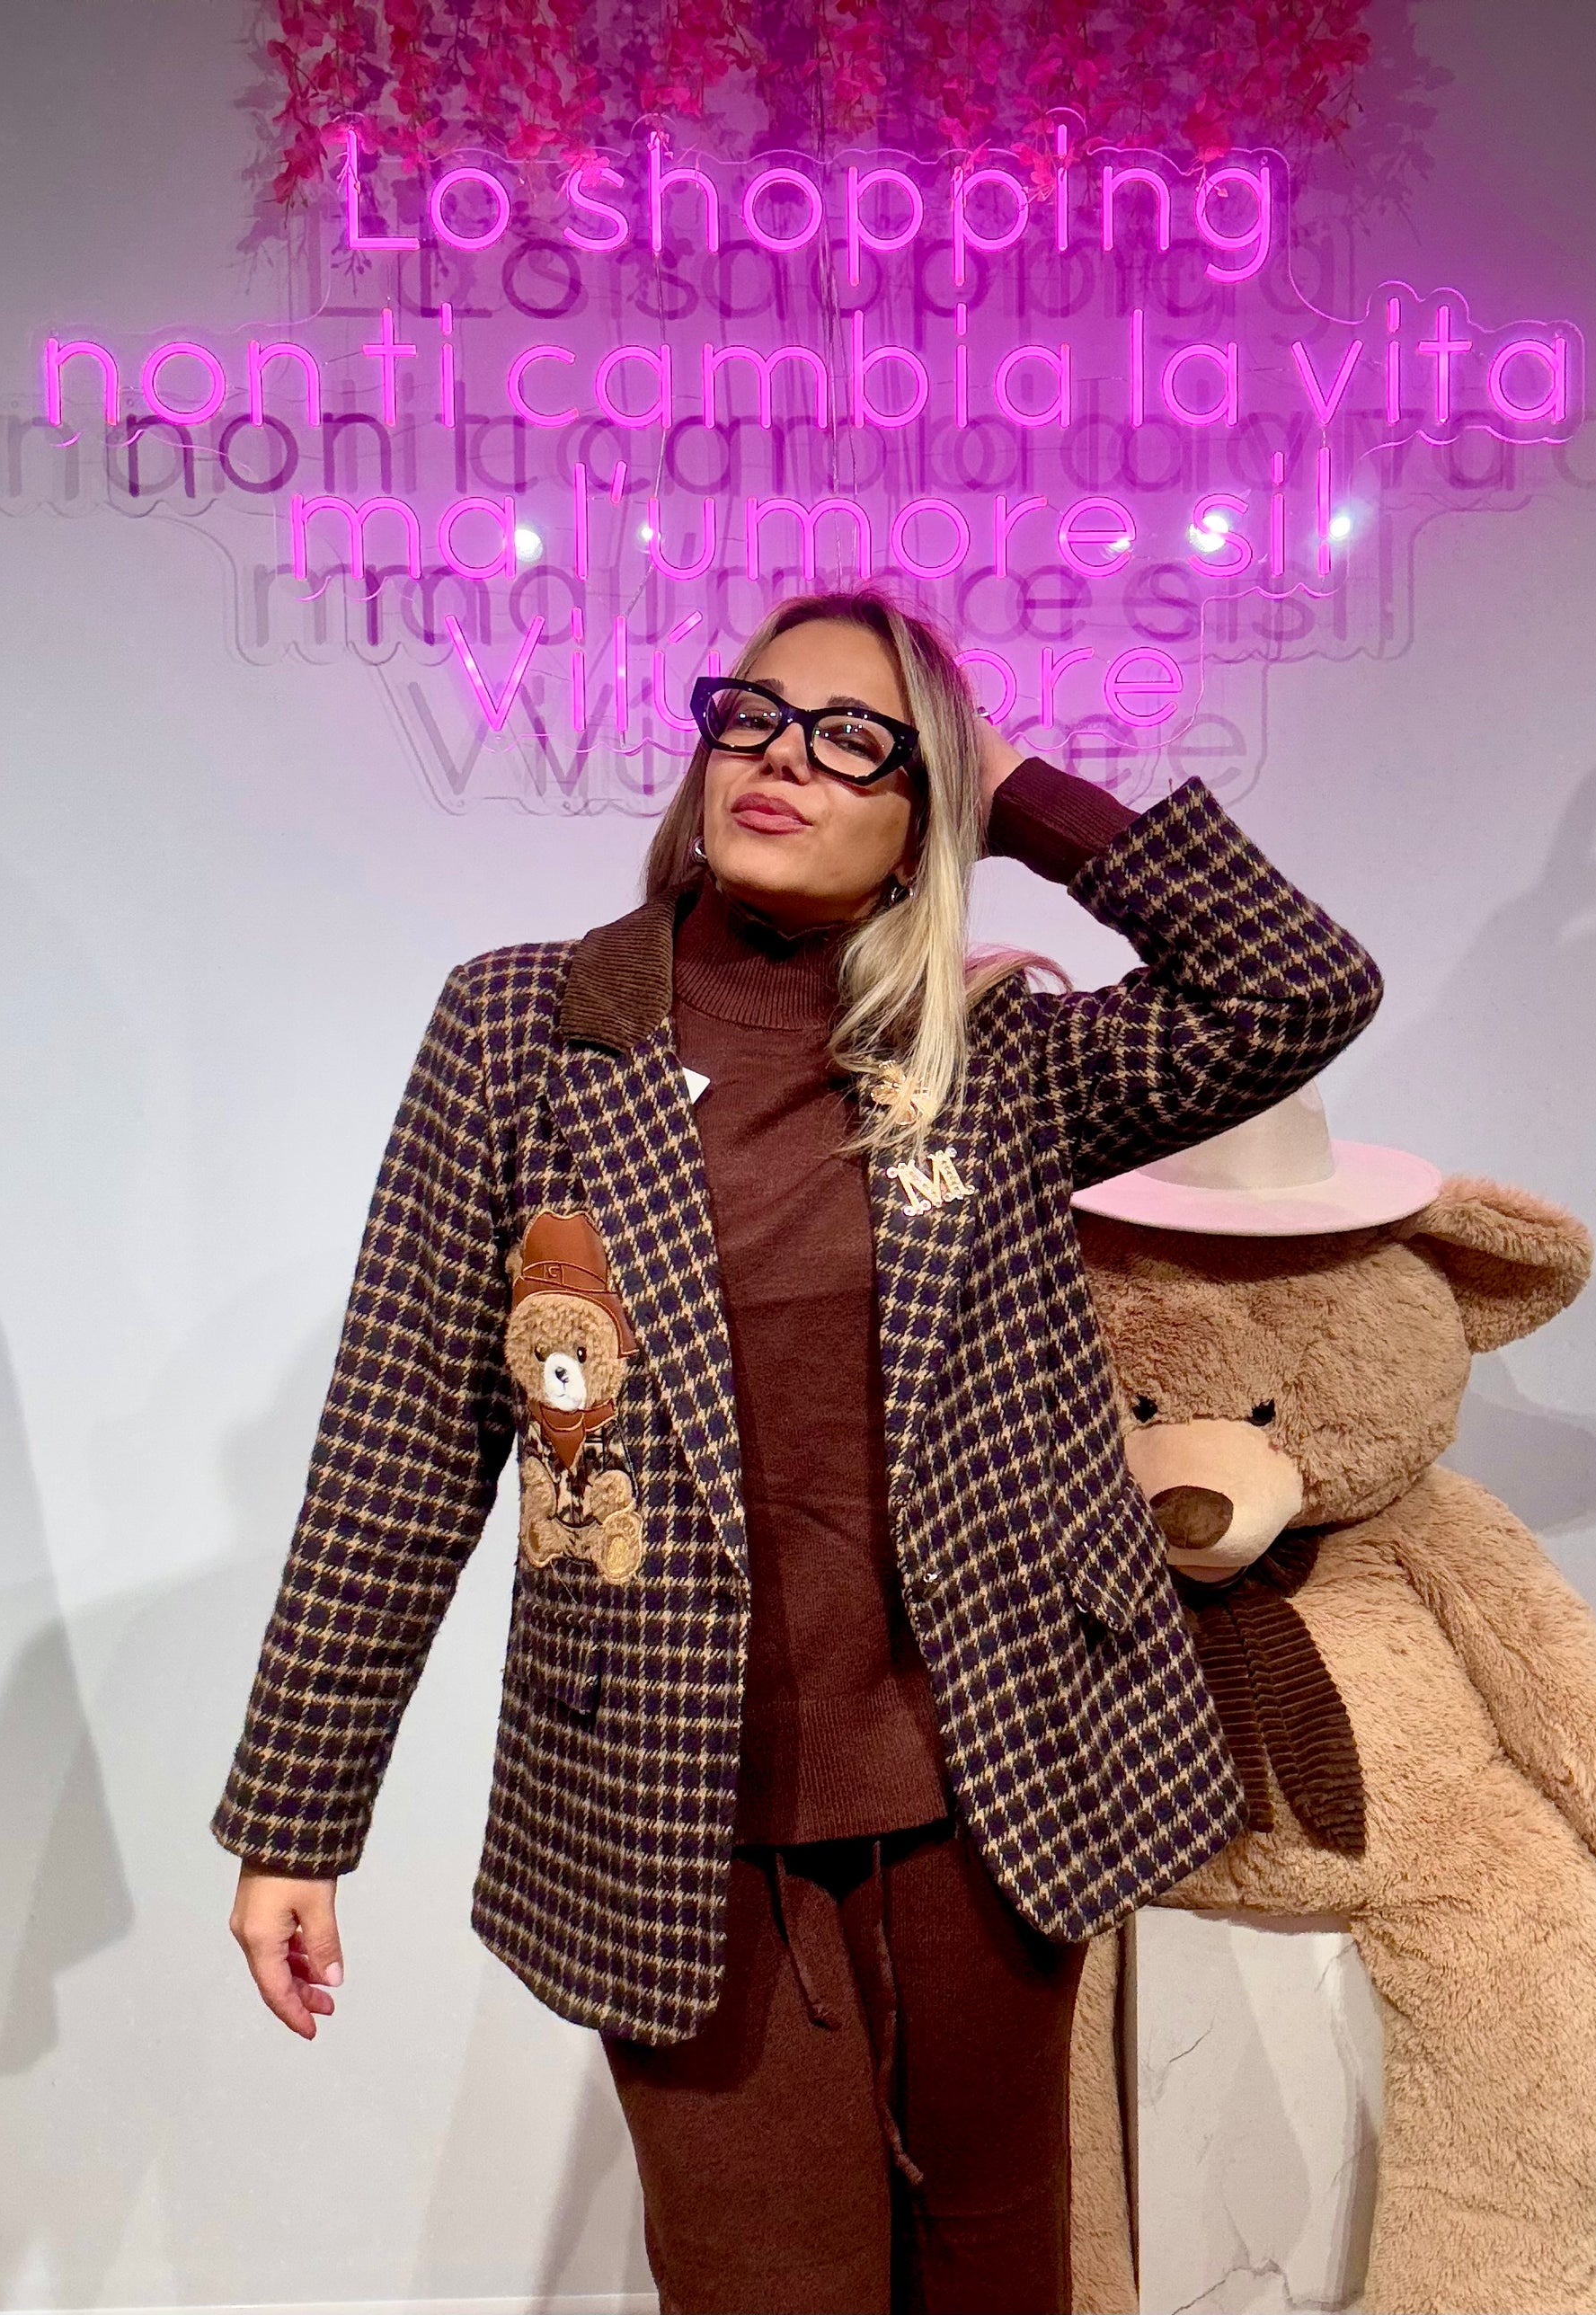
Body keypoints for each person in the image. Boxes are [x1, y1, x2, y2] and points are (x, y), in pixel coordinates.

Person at [214, 589, 1382, 2315]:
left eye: (857, 742)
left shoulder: (988, 1056)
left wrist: (1021, 791)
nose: (782, 759)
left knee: (995, 2261)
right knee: (765, 2277)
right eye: (751, 717)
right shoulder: (523, 1029)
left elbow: (1297, 987)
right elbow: (399, 1441)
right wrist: (297, 1819)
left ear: (928, 819)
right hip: (671, 1789)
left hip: (991, 1780)